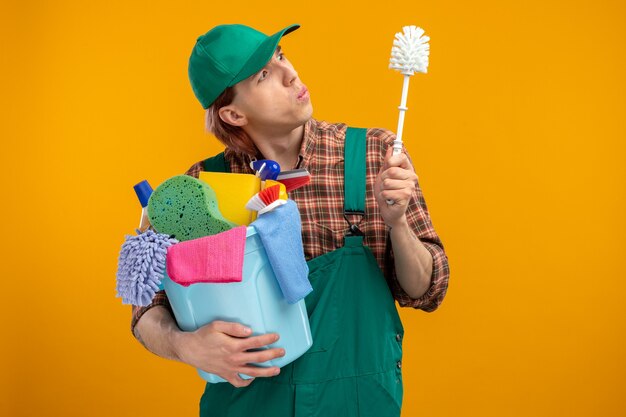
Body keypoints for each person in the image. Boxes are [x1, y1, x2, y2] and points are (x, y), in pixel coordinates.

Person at [130, 23, 450, 417]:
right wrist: (186, 345)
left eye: (280, 55)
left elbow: (426, 290)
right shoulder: (198, 192)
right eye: (264, 75)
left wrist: (397, 223)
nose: (291, 74)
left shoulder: (374, 155)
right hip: (248, 405)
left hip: (358, 403)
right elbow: (146, 308)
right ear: (232, 113)